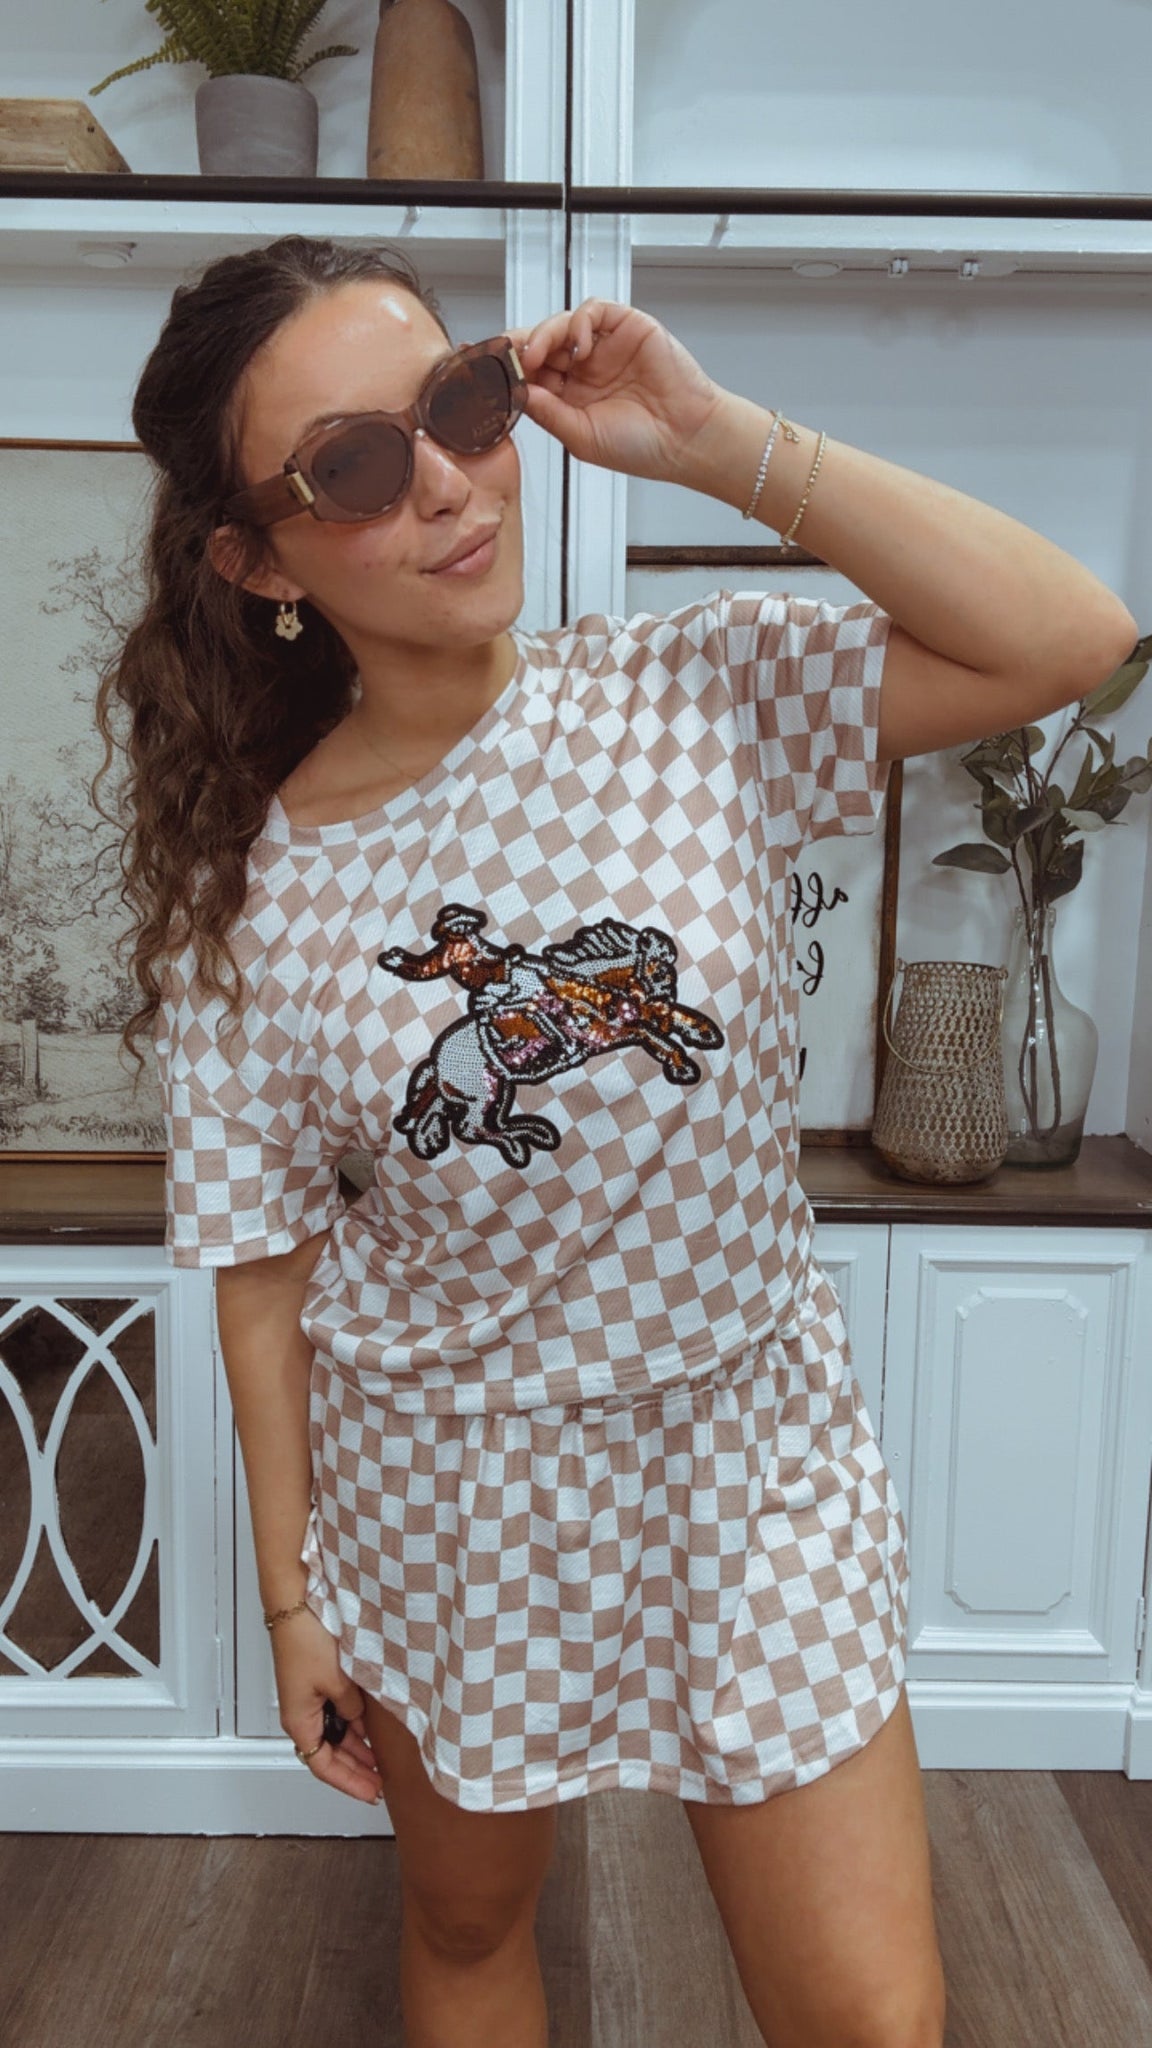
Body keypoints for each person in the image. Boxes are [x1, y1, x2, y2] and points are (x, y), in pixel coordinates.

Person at [98, 232, 1135, 2048]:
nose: (446, 481)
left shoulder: (700, 694)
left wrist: (719, 440)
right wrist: (291, 1599)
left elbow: (1076, 637)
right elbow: (262, 1272)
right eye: (355, 465)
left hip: (751, 1450)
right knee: (471, 1930)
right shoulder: (248, 897)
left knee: (873, 2019)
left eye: (460, 404)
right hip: (451, 1486)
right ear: (256, 561)